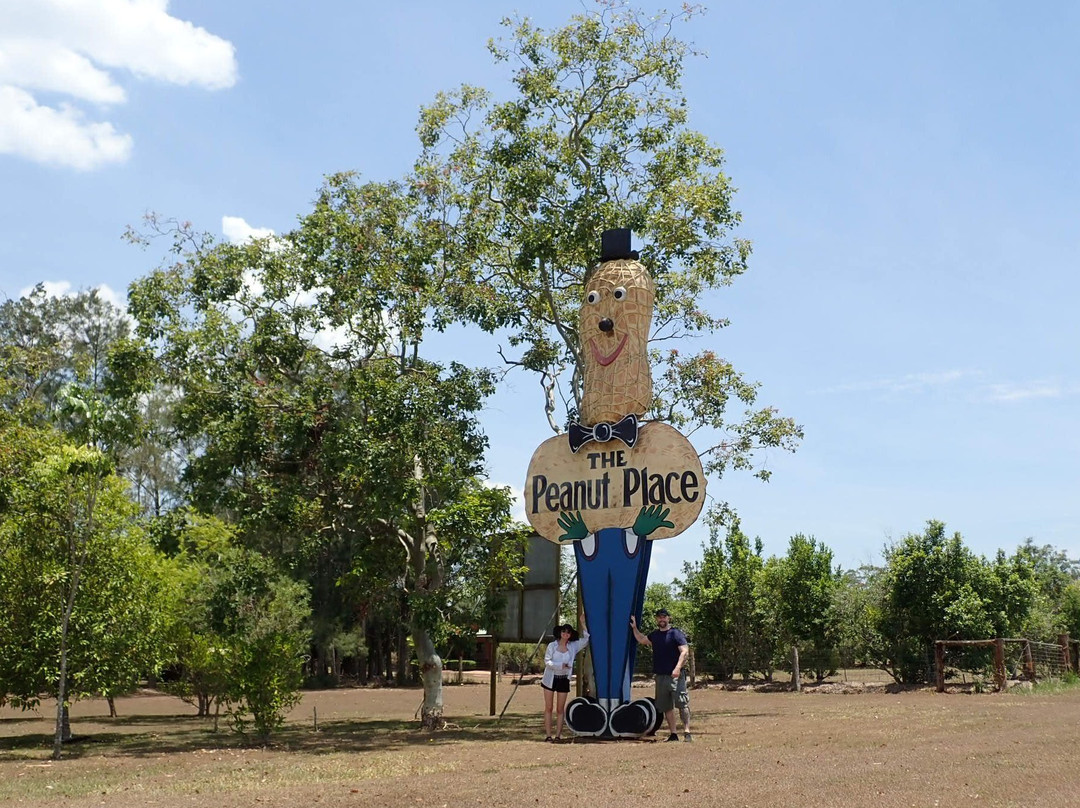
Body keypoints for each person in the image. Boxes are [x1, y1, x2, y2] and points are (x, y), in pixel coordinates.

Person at [630, 608, 692, 742]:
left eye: (664, 617)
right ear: (656, 619)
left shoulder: (676, 634)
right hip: (660, 676)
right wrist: (634, 627)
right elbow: (641, 639)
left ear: (668, 618)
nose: (662, 619)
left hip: (676, 675)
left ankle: (687, 731)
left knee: (682, 703)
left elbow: (684, 651)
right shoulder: (655, 635)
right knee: (666, 706)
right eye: (659, 617)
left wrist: (677, 668)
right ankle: (673, 734)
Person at [541, 619, 589, 742]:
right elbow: (547, 661)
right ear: (560, 632)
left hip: (563, 679)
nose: (566, 634)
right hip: (550, 679)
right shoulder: (552, 646)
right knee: (549, 707)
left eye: (568, 632)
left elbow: (586, 639)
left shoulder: (572, 646)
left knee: (560, 709)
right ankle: (548, 735)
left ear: (570, 635)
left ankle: (558, 735)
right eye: (564, 631)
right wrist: (560, 665)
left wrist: (583, 624)